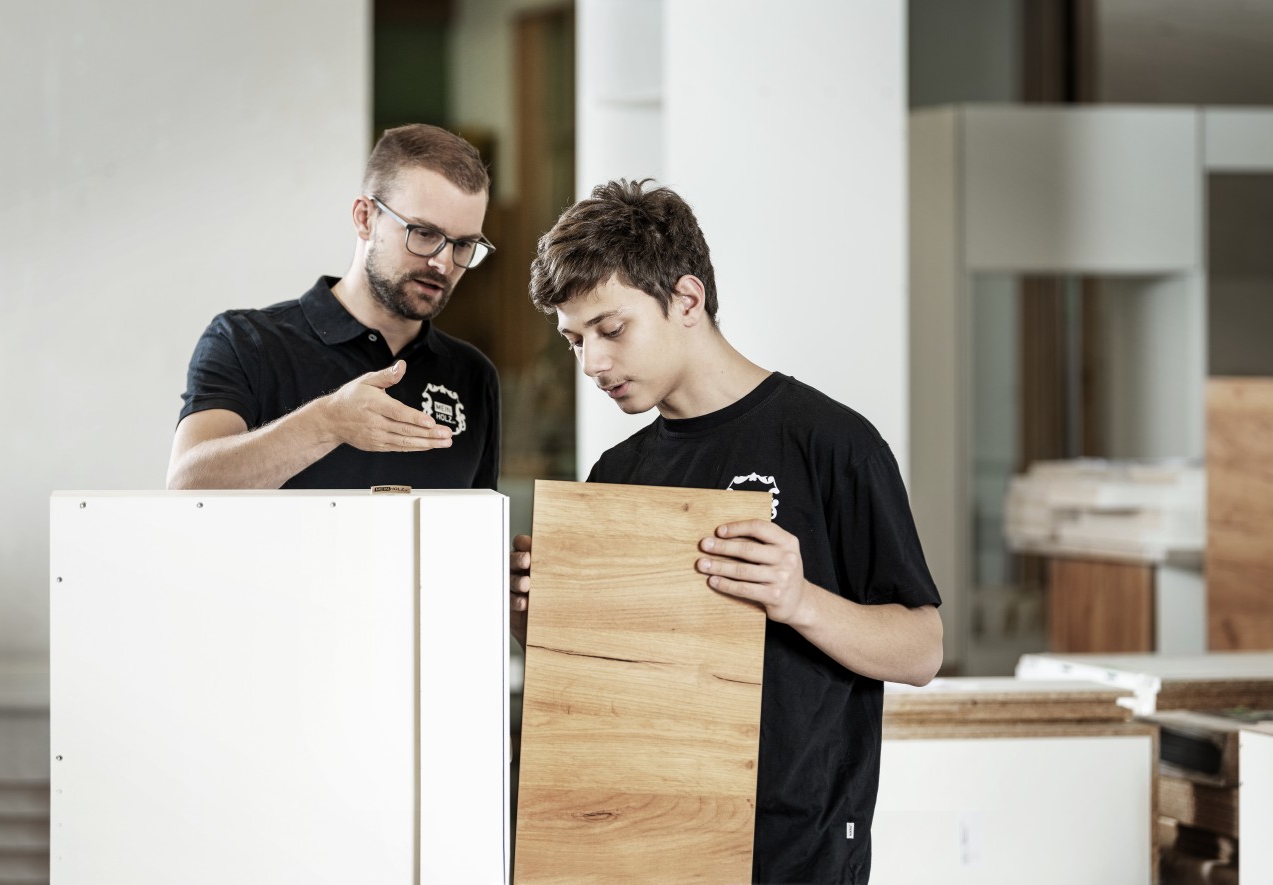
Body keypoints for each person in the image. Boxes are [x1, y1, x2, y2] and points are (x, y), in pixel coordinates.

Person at [510, 179, 942, 884]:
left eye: (611, 329)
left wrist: (801, 600)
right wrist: (535, 619)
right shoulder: (617, 471)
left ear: (686, 299)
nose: (592, 363)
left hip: (798, 851)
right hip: (645, 843)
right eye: (574, 340)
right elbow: (608, 676)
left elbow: (922, 649)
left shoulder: (832, 442)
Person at [167, 124, 500, 491]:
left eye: (464, 244)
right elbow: (188, 487)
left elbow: (477, 530)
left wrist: (512, 551)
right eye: (424, 234)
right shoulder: (247, 342)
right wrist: (327, 423)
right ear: (365, 218)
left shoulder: (473, 375)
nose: (445, 262)